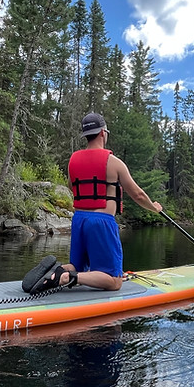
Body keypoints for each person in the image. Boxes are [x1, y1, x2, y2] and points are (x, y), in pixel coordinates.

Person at [22, 113, 163, 294]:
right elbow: (138, 195)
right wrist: (154, 208)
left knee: (77, 265)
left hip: (79, 219)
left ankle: (55, 272)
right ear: (103, 133)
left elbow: (72, 188)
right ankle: (67, 277)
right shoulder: (114, 163)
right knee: (114, 280)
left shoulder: (73, 161)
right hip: (101, 221)